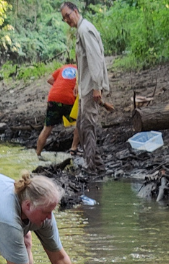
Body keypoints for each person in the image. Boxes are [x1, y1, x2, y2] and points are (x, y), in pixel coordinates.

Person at [60, 1, 110, 171]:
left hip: (91, 86)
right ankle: (90, 160)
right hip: (84, 85)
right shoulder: (80, 30)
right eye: (64, 18)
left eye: (68, 15)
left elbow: (95, 58)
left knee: (88, 125)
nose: (67, 19)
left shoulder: (84, 30)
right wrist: (76, 83)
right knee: (81, 124)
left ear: (76, 11)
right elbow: (82, 61)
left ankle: (95, 165)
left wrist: (97, 86)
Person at [36, 61, 78, 158]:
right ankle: (73, 148)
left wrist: (60, 87)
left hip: (53, 97)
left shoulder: (62, 68)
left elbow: (49, 79)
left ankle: (38, 154)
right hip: (68, 99)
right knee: (80, 123)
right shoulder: (80, 70)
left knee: (47, 128)